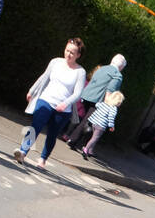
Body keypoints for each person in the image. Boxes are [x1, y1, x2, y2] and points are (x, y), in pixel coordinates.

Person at [14, 38, 86, 168]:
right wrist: (32, 90)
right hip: (46, 99)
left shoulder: (80, 72)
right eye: (67, 50)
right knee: (35, 126)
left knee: (52, 135)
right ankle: (23, 152)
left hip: (63, 109)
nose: (68, 54)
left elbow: (78, 93)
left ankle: (43, 159)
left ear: (78, 55)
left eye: (72, 53)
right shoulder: (55, 62)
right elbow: (44, 77)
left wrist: (65, 103)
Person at [67, 54, 126, 148]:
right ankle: (73, 140)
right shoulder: (117, 75)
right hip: (97, 100)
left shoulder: (102, 68)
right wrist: (108, 106)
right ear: (121, 67)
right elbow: (110, 90)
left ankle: (69, 136)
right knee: (87, 121)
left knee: (81, 118)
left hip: (86, 95)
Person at [80, 88, 123, 159]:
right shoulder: (113, 108)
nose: (120, 104)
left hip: (94, 123)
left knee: (94, 137)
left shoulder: (103, 104)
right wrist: (111, 126)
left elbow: (97, 106)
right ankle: (86, 149)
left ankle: (90, 150)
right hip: (101, 126)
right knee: (95, 138)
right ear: (117, 102)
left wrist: (90, 120)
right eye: (120, 102)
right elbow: (111, 118)